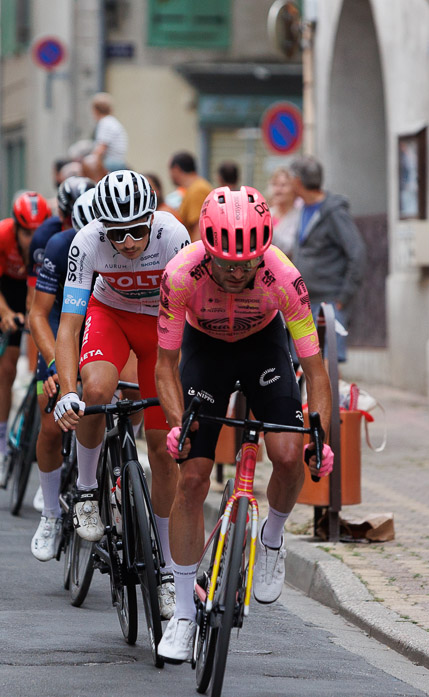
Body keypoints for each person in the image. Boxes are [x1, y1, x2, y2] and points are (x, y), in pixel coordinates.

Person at [153, 186, 334, 661]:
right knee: (190, 478)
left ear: (264, 253)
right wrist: (178, 425)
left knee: (290, 453)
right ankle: (184, 616)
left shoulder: (284, 277)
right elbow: (165, 367)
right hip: (203, 351)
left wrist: (320, 436)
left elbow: (315, 372)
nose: (236, 274)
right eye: (226, 264)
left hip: (262, 347)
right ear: (207, 251)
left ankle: (272, 538)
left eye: (247, 264)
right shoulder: (179, 276)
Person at [53, 170, 190, 619]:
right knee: (95, 389)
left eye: (137, 230)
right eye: (118, 233)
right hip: (109, 315)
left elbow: (193, 317)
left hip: (161, 329)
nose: (129, 242)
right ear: (101, 226)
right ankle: (88, 492)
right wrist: (67, 393)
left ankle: (169, 571)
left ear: (152, 218)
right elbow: (70, 325)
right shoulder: (86, 241)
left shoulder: (172, 234)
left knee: (165, 450)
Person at [26, 187, 96, 560]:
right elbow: (39, 314)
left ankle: (113, 479)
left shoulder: (119, 245)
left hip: (101, 328)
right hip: (60, 331)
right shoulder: (58, 244)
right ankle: (51, 514)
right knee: (51, 419)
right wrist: (54, 363)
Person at [0, 190, 52, 487]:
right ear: (16, 227)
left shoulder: (52, 240)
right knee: (7, 365)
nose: (31, 239)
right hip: (9, 291)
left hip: (41, 292)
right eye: (26, 233)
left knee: (43, 371)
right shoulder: (0, 235)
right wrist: (6, 314)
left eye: (36, 232)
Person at [289, 155, 366, 354]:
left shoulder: (334, 212)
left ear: (298, 181)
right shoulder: (303, 208)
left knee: (327, 363)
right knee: (303, 364)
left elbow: (356, 252)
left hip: (328, 302)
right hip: (305, 302)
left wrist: (344, 296)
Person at [168, 151, 212, 242]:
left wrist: (193, 255)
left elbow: (199, 230)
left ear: (176, 169)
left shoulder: (197, 190)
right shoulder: (195, 188)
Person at [90, 92, 128, 173]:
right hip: (118, 161)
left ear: (96, 110)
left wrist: (89, 161)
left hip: (112, 163)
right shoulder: (111, 121)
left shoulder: (105, 122)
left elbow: (101, 148)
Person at [267, 166, 301, 257]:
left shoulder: (299, 216)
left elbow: (290, 248)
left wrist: (267, 229)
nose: (278, 190)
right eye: (274, 184)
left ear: (294, 189)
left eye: (283, 185)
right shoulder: (266, 213)